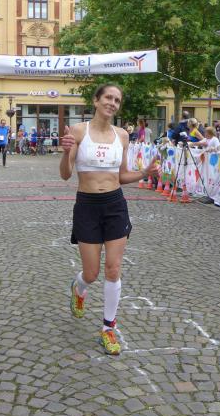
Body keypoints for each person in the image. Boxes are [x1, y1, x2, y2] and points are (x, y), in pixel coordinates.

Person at [59, 83, 159, 356]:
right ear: (96, 100)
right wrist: (66, 152)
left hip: (115, 205)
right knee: (91, 274)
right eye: (108, 98)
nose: (112, 103)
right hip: (87, 206)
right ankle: (79, 288)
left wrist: (145, 173)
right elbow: (66, 174)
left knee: (113, 269)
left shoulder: (122, 135)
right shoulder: (78, 131)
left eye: (117, 100)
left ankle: (108, 328)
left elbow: (122, 176)